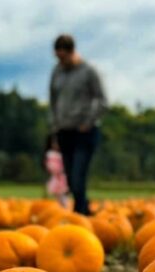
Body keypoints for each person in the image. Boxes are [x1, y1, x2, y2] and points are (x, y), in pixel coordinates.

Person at [49, 34, 107, 215]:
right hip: (64, 131)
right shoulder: (57, 72)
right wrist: (54, 129)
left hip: (84, 132)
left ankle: (80, 215)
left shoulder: (88, 72)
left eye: (63, 57)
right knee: (71, 181)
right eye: (58, 57)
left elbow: (102, 100)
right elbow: (53, 101)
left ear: (72, 52)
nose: (61, 61)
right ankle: (85, 211)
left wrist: (88, 121)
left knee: (77, 176)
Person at [44, 135, 70, 208]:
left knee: (63, 191)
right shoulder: (50, 154)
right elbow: (48, 164)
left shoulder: (62, 155)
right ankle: (59, 205)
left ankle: (64, 205)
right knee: (56, 193)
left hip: (61, 176)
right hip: (55, 176)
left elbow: (64, 165)